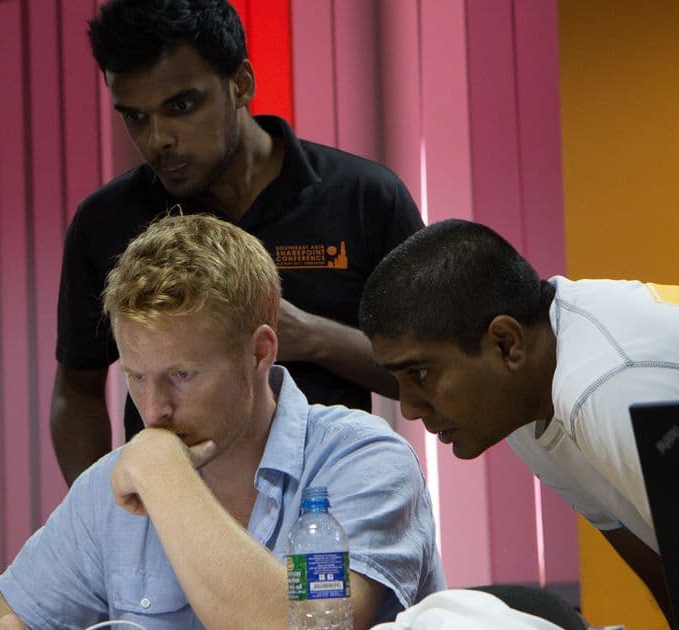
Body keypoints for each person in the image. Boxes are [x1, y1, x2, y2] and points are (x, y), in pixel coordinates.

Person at [359, 218, 679, 616]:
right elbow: (669, 571)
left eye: (419, 372)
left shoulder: (607, 387)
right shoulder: (532, 398)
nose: (407, 406)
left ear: (505, 343)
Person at [0, 214, 444, 629]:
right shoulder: (108, 488)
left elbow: (297, 627)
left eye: (181, 375)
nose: (154, 410)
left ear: (259, 352)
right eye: (137, 378)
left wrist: (164, 476)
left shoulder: (363, 460)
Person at [52, 0, 425, 484]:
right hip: (180, 522)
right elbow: (76, 392)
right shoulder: (106, 222)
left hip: (327, 510)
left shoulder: (363, 197)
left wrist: (315, 338)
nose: (158, 139)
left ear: (241, 84)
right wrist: (105, 516)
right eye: (136, 117)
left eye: (181, 106)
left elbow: (429, 372)